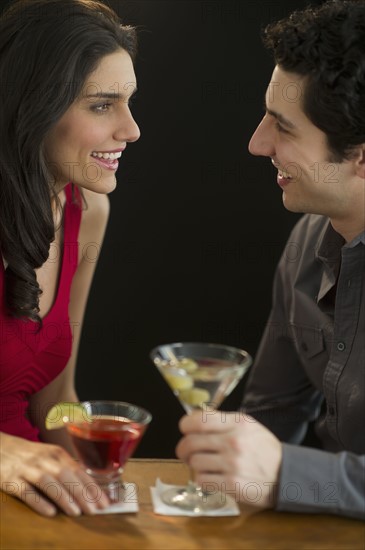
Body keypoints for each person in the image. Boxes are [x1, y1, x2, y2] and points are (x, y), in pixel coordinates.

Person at [176, 0, 365, 520]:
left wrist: (286, 473)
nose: (258, 144)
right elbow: (271, 420)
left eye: (283, 127)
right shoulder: (307, 243)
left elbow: (276, 461)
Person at [0, 0, 140, 516]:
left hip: (34, 498)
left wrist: (81, 446)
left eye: (128, 103)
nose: (131, 130)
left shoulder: (89, 211)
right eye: (102, 105)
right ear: (33, 105)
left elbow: (54, 395)